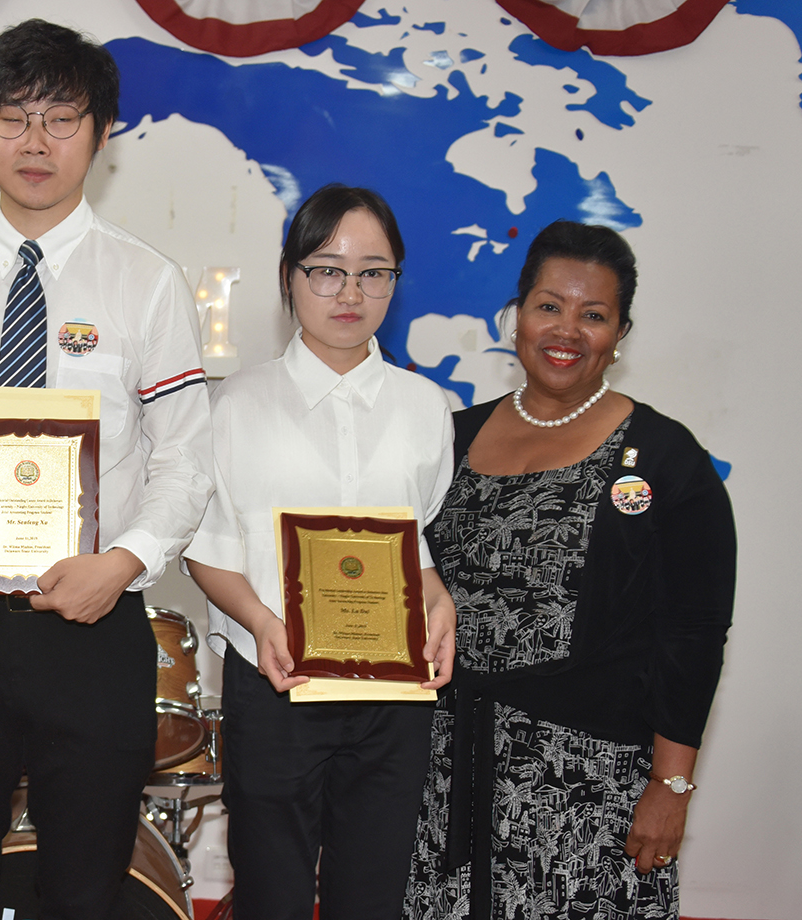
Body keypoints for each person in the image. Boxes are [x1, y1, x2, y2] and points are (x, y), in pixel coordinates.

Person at [0, 18, 213, 919]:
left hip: (97, 626)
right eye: (13, 116)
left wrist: (125, 561)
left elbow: (184, 459)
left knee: (85, 890)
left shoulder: (147, 283)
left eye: (62, 118)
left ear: (102, 135)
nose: (35, 142)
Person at [402, 221, 736, 919]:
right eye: (549, 306)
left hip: (590, 791)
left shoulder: (666, 458)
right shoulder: (449, 438)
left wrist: (670, 789)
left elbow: (695, 633)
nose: (567, 330)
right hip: (445, 777)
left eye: (594, 315)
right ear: (517, 314)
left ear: (620, 334)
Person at [182, 185, 458, 919]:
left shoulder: (424, 407)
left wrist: (438, 599)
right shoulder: (235, 405)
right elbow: (208, 550)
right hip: (275, 681)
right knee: (270, 892)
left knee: (370, 894)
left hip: (392, 695)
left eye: (374, 272)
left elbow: (415, 539)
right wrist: (262, 621)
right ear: (289, 278)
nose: (351, 292)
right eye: (327, 269)